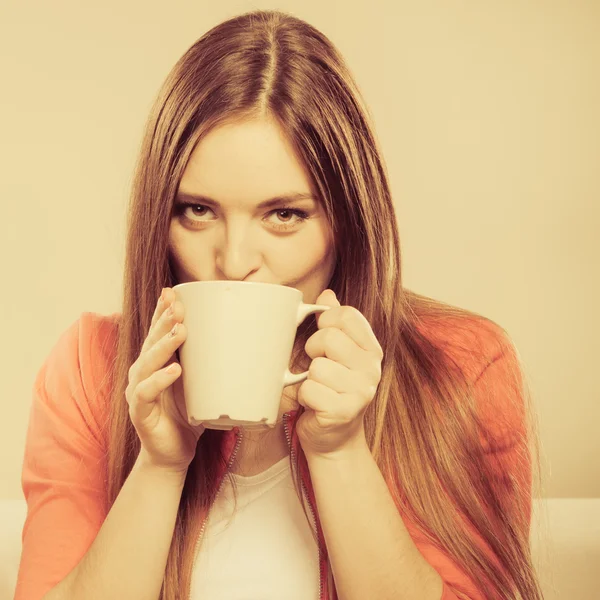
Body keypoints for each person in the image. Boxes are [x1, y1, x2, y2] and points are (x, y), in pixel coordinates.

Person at [15, 9, 544, 600]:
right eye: (197, 210)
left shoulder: (462, 366)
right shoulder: (90, 369)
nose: (235, 258)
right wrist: (159, 467)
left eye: (284, 214)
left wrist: (340, 451)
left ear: (346, 221)